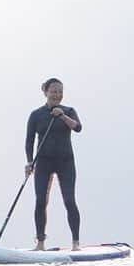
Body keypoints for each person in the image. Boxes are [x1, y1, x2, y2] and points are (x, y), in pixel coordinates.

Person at [25, 78, 82, 251]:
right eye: (54, 91)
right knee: (40, 201)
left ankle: (75, 244)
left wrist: (62, 116)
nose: (57, 95)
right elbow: (29, 141)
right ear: (45, 92)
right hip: (43, 162)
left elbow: (78, 128)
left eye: (60, 91)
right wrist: (29, 162)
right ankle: (40, 243)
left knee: (69, 201)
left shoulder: (69, 111)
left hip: (65, 162)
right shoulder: (36, 115)